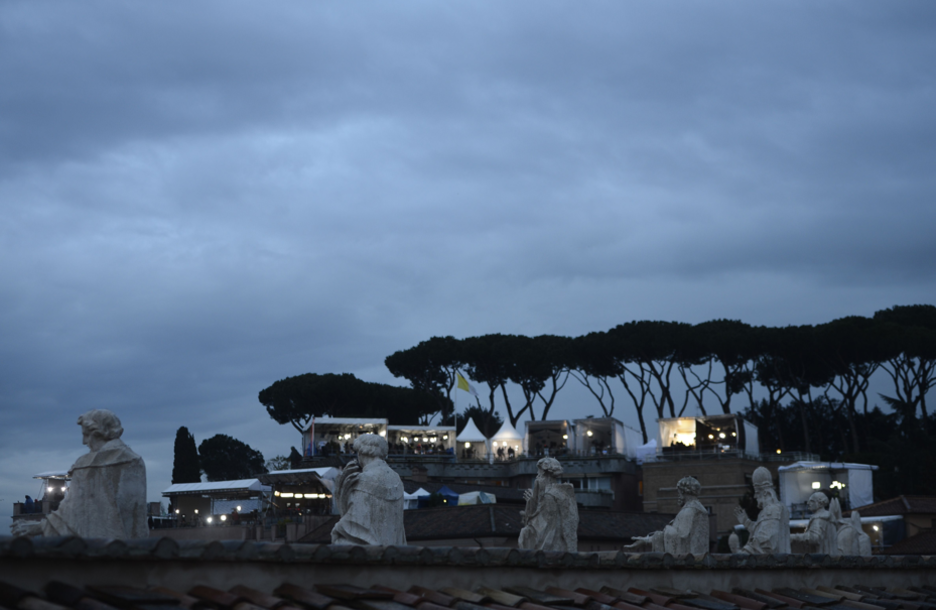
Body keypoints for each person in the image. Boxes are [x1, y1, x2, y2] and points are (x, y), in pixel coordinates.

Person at [10, 410, 148, 539]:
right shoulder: (135, 461)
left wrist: (37, 528)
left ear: (97, 433)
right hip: (133, 551)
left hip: (100, 552)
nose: (84, 442)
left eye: (86, 435)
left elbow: (74, 512)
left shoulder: (86, 464)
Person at [331, 433, 406, 545]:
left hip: (371, 553)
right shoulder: (396, 479)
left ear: (361, 453)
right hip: (394, 548)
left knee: (338, 537)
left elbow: (352, 525)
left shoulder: (361, 479)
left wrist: (341, 489)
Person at [625, 476, 709, 555]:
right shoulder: (697, 508)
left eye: (678, 492)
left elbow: (679, 537)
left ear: (683, 492)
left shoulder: (689, 510)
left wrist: (648, 540)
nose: (678, 495)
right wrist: (646, 540)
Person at [518, 457, 578, 552]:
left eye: (540, 471)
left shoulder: (548, 491)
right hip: (547, 528)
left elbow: (542, 516)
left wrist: (530, 502)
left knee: (526, 533)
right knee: (525, 533)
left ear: (546, 472)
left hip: (549, 531)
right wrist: (530, 502)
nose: (538, 475)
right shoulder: (559, 491)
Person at [733, 466, 791, 554]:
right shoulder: (777, 508)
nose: (755, 496)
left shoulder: (772, 510)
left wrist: (744, 553)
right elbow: (763, 531)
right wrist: (746, 521)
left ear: (764, 493)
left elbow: (765, 540)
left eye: (757, 492)